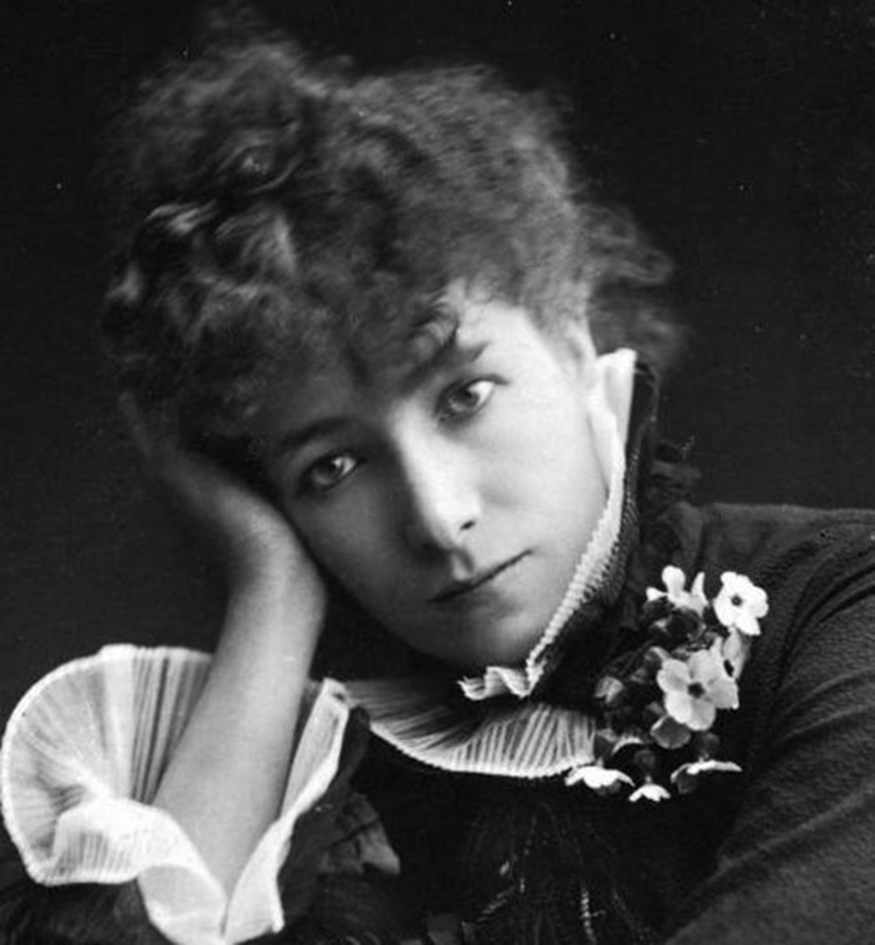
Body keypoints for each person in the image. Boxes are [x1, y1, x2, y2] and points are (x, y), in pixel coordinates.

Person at [2, 20, 875, 945]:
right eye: (330, 467)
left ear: (571, 339)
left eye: (465, 395)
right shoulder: (330, 785)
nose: (436, 515)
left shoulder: (838, 601)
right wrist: (272, 588)